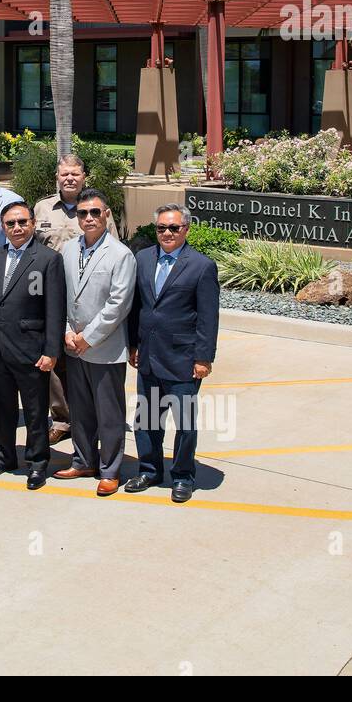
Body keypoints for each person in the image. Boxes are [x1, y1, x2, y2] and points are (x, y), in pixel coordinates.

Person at [125, 204, 220, 504]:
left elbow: (208, 317)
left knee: (184, 423)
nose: (167, 233)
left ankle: (182, 476)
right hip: (149, 356)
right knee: (148, 420)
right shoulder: (142, 259)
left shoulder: (202, 266)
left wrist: (203, 358)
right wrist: (133, 345)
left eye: (173, 228)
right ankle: (150, 470)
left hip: (183, 359)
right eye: (161, 228)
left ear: (186, 230)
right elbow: (136, 307)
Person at [0, 201, 66, 490]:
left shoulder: (47, 259)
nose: (17, 228)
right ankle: (5, 456)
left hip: (31, 349)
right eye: (10, 223)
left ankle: (38, 462)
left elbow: (55, 309)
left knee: (36, 411)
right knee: (3, 409)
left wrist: (51, 351)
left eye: (22, 222)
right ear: (3, 227)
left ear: (33, 223)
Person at [55, 189, 136, 496]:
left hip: (103, 349)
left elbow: (118, 305)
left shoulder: (120, 254)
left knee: (109, 415)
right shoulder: (69, 250)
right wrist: (65, 332)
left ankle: (110, 469)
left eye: (94, 213)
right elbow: (62, 295)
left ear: (106, 215)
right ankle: (83, 460)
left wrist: (87, 338)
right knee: (81, 410)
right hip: (73, 347)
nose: (88, 218)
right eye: (82, 213)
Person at [32, 154, 99, 446]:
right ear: (57, 177)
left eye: (75, 173)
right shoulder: (42, 208)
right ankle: (61, 419)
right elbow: (32, 253)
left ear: (84, 176)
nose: (69, 178)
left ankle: (88, 416)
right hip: (49, 295)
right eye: (64, 174)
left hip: (85, 296)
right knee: (53, 356)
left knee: (85, 357)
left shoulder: (95, 208)